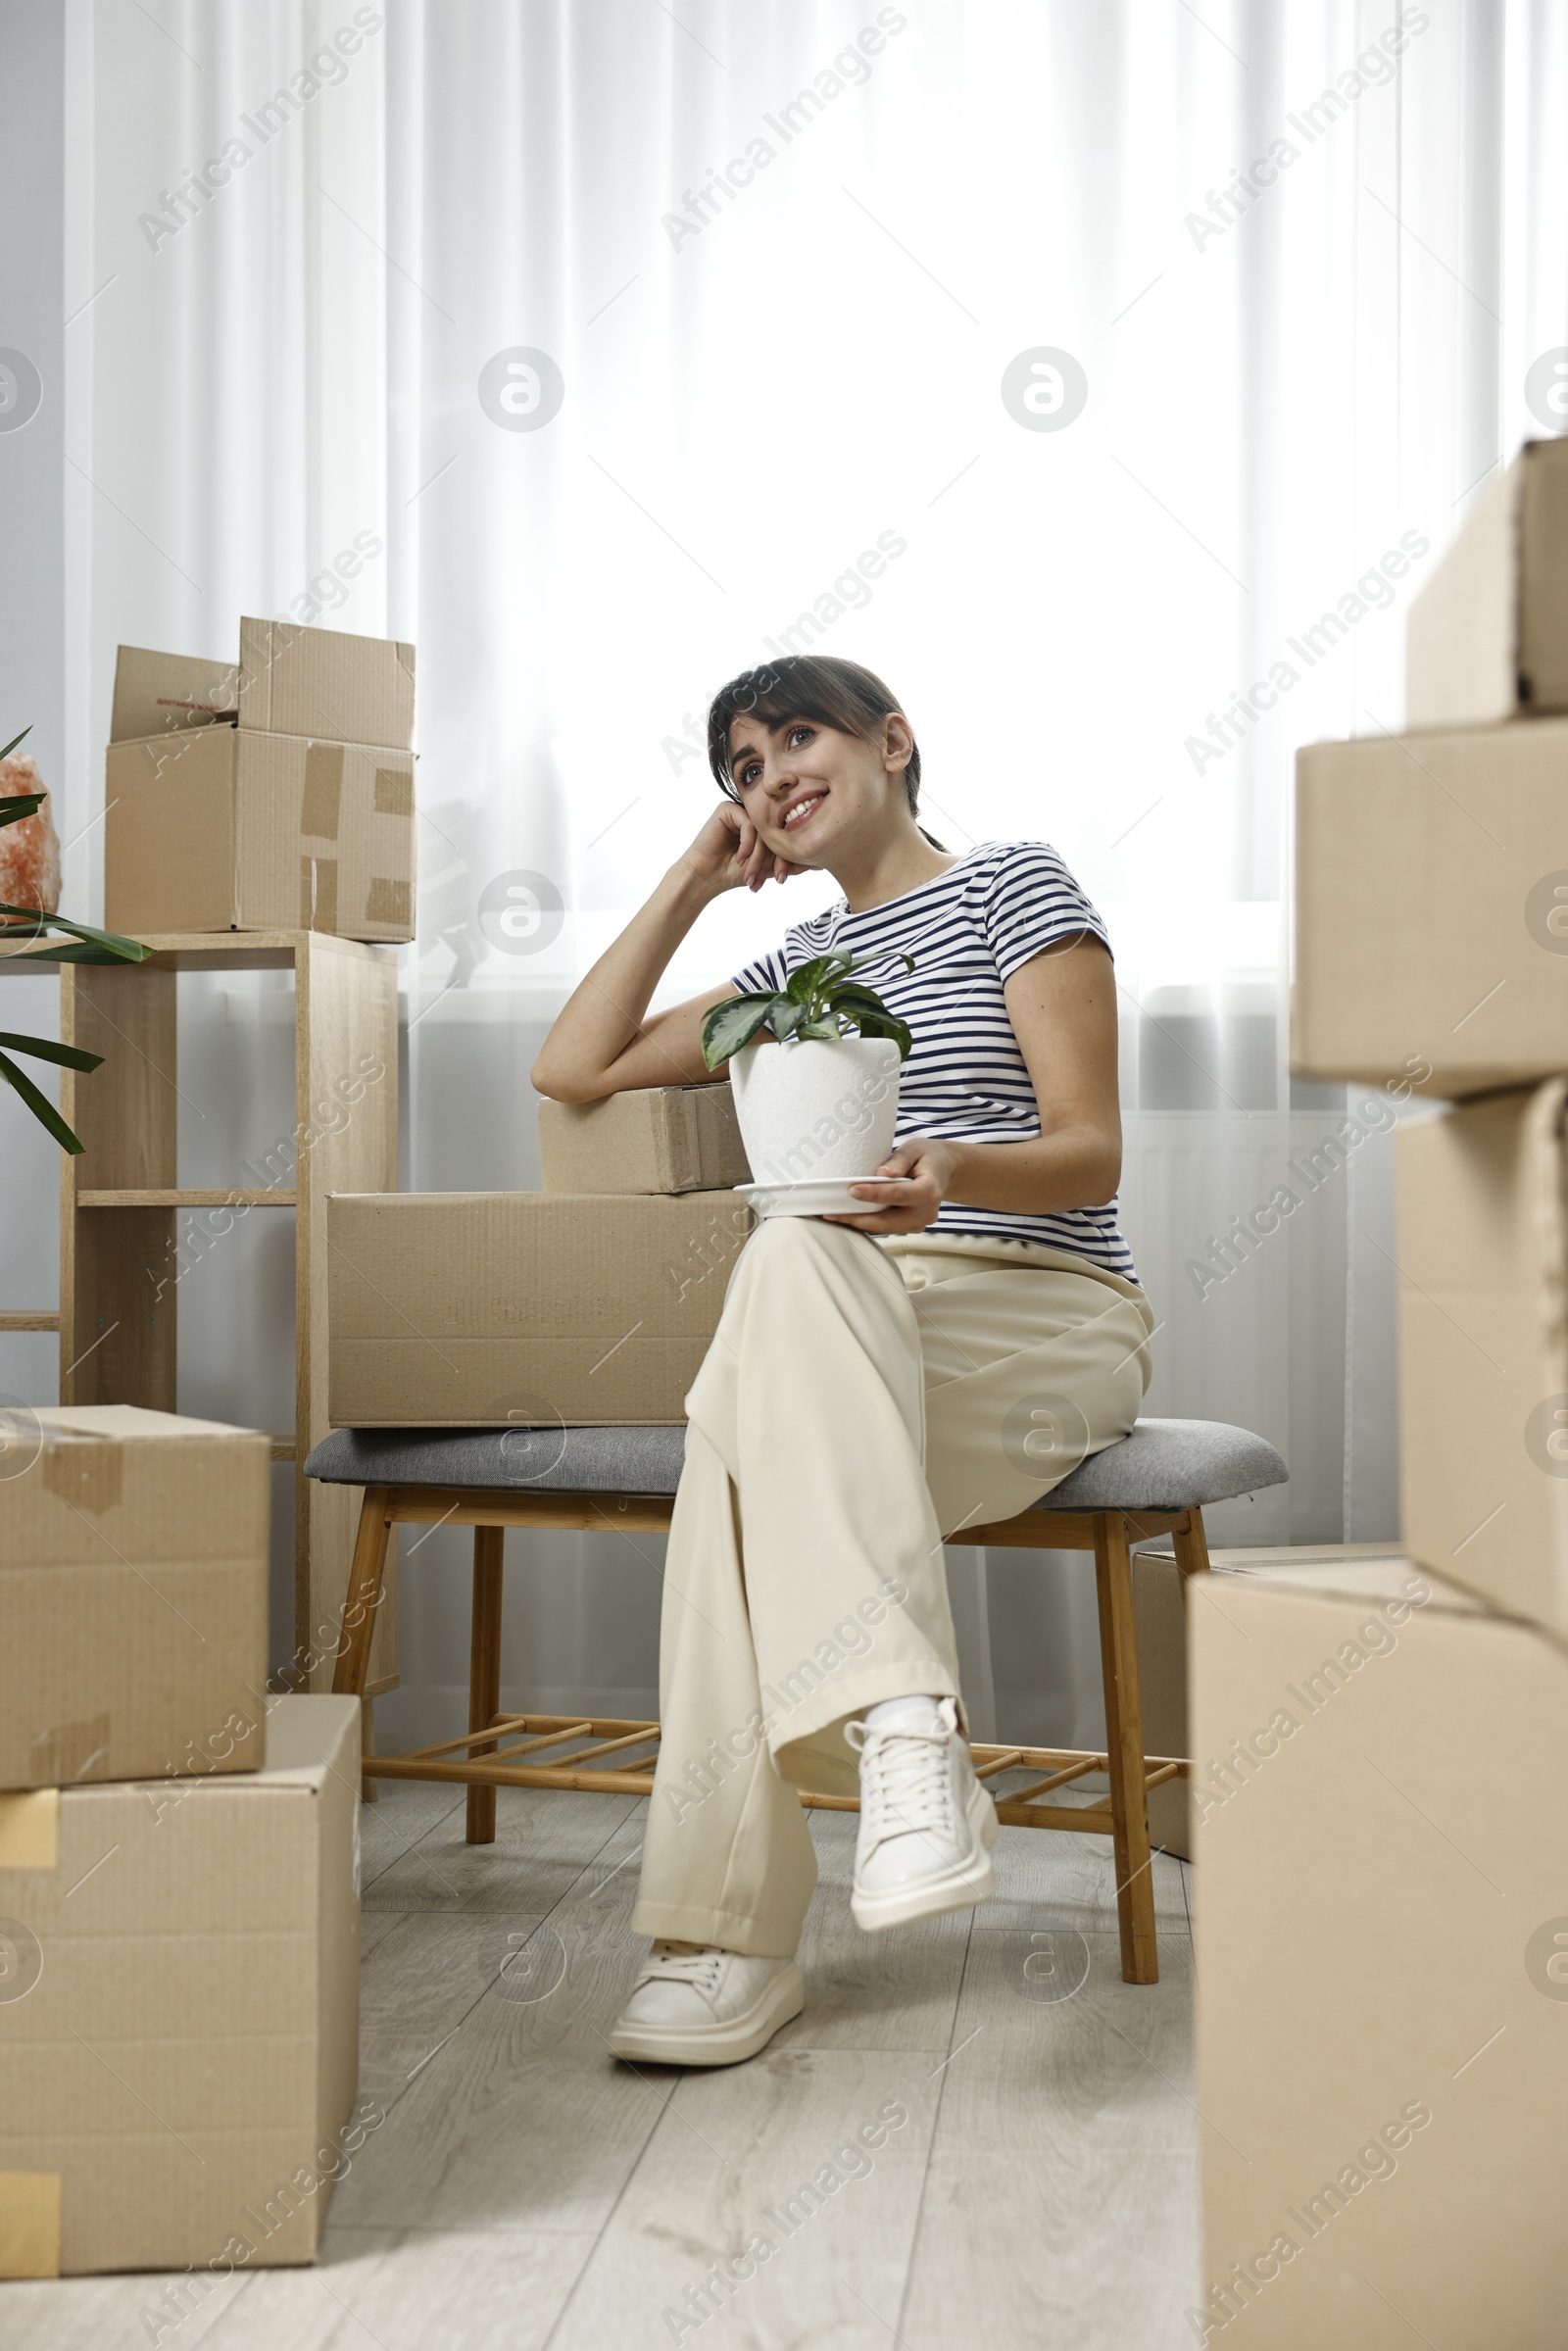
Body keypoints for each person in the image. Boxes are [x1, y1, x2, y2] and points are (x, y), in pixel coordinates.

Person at [531, 654, 1153, 2067]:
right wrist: (697, 878)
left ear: (893, 740)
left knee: (734, 1456)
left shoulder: (1015, 886)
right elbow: (572, 1069)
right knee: (791, 1259)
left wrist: (953, 1174)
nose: (769, 777)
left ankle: (723, 1943)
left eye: (793, 737)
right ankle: (904, 1731)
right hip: (835, 1303)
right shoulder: (788, 976)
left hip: (1031, 1299)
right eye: (740, 769)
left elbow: (1092, 1150)